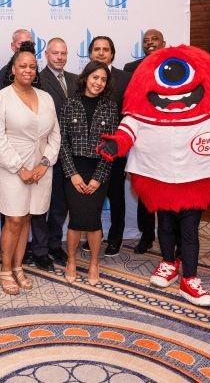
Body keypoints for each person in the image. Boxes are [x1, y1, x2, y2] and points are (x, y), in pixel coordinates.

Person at [99, 45, 210, 307]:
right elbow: (129, 128)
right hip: (159, 178)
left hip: (196, 180)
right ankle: (169, 262)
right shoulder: (142, 110)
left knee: (189, 230)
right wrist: (115, 144)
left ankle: (189, 278)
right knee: (165, 225)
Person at [0, 43, 60, 295]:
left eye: (32, 66)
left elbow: (55, 135)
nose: (28, 70)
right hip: (11, 167)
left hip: (41, 168)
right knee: (14, 218)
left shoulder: (46, 97)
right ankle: (5, 269)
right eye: (23, 66)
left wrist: (44, 163)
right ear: (13, 69)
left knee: (28, 216)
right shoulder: (0, 98)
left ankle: (19, 267)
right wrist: (20, 168)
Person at [59, 61, 119, 285]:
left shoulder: (111, 107)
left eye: (103, 79)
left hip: (98, 170)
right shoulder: (69, 104)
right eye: (95, 78)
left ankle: (94, 263)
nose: (99, 83)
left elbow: (112, 146)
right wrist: (71, 173)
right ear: (86, 78)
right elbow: (62, 142)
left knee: (93, 220)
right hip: (74, 169)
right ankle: (71, 261)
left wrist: (98, 178)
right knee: (75, 219)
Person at [33, 37, 78, 269]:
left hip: (69, 153)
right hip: (45, 152)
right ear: (47, 55)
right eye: (55, 53)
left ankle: (53, 245)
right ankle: (39, 250)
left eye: (63, 53)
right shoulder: (38, 79)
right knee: (41, 205)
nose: (59, 57)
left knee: (60, 205)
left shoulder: (75, 80)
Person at [123, 28, 166, 254]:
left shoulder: (175, 65)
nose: (150, 43)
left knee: (170, 191)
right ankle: (146, 236)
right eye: (146, 40)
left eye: (154, 39)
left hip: (169, 138)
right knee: (145, 190)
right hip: (143, 138)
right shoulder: (131, 69)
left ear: (163, 43)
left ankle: (172, 238)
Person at [88, 36, 131, 256]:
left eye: (106, 49)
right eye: (97, 49)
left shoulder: (125, 78)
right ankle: (95, 233)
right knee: (93, 195)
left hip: (116, 149)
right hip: (89, 150)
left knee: (116, 195)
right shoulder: (85, 77)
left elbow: (131, 112)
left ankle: (115, 238)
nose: (101, 53)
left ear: (112, 53)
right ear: (90, 53)